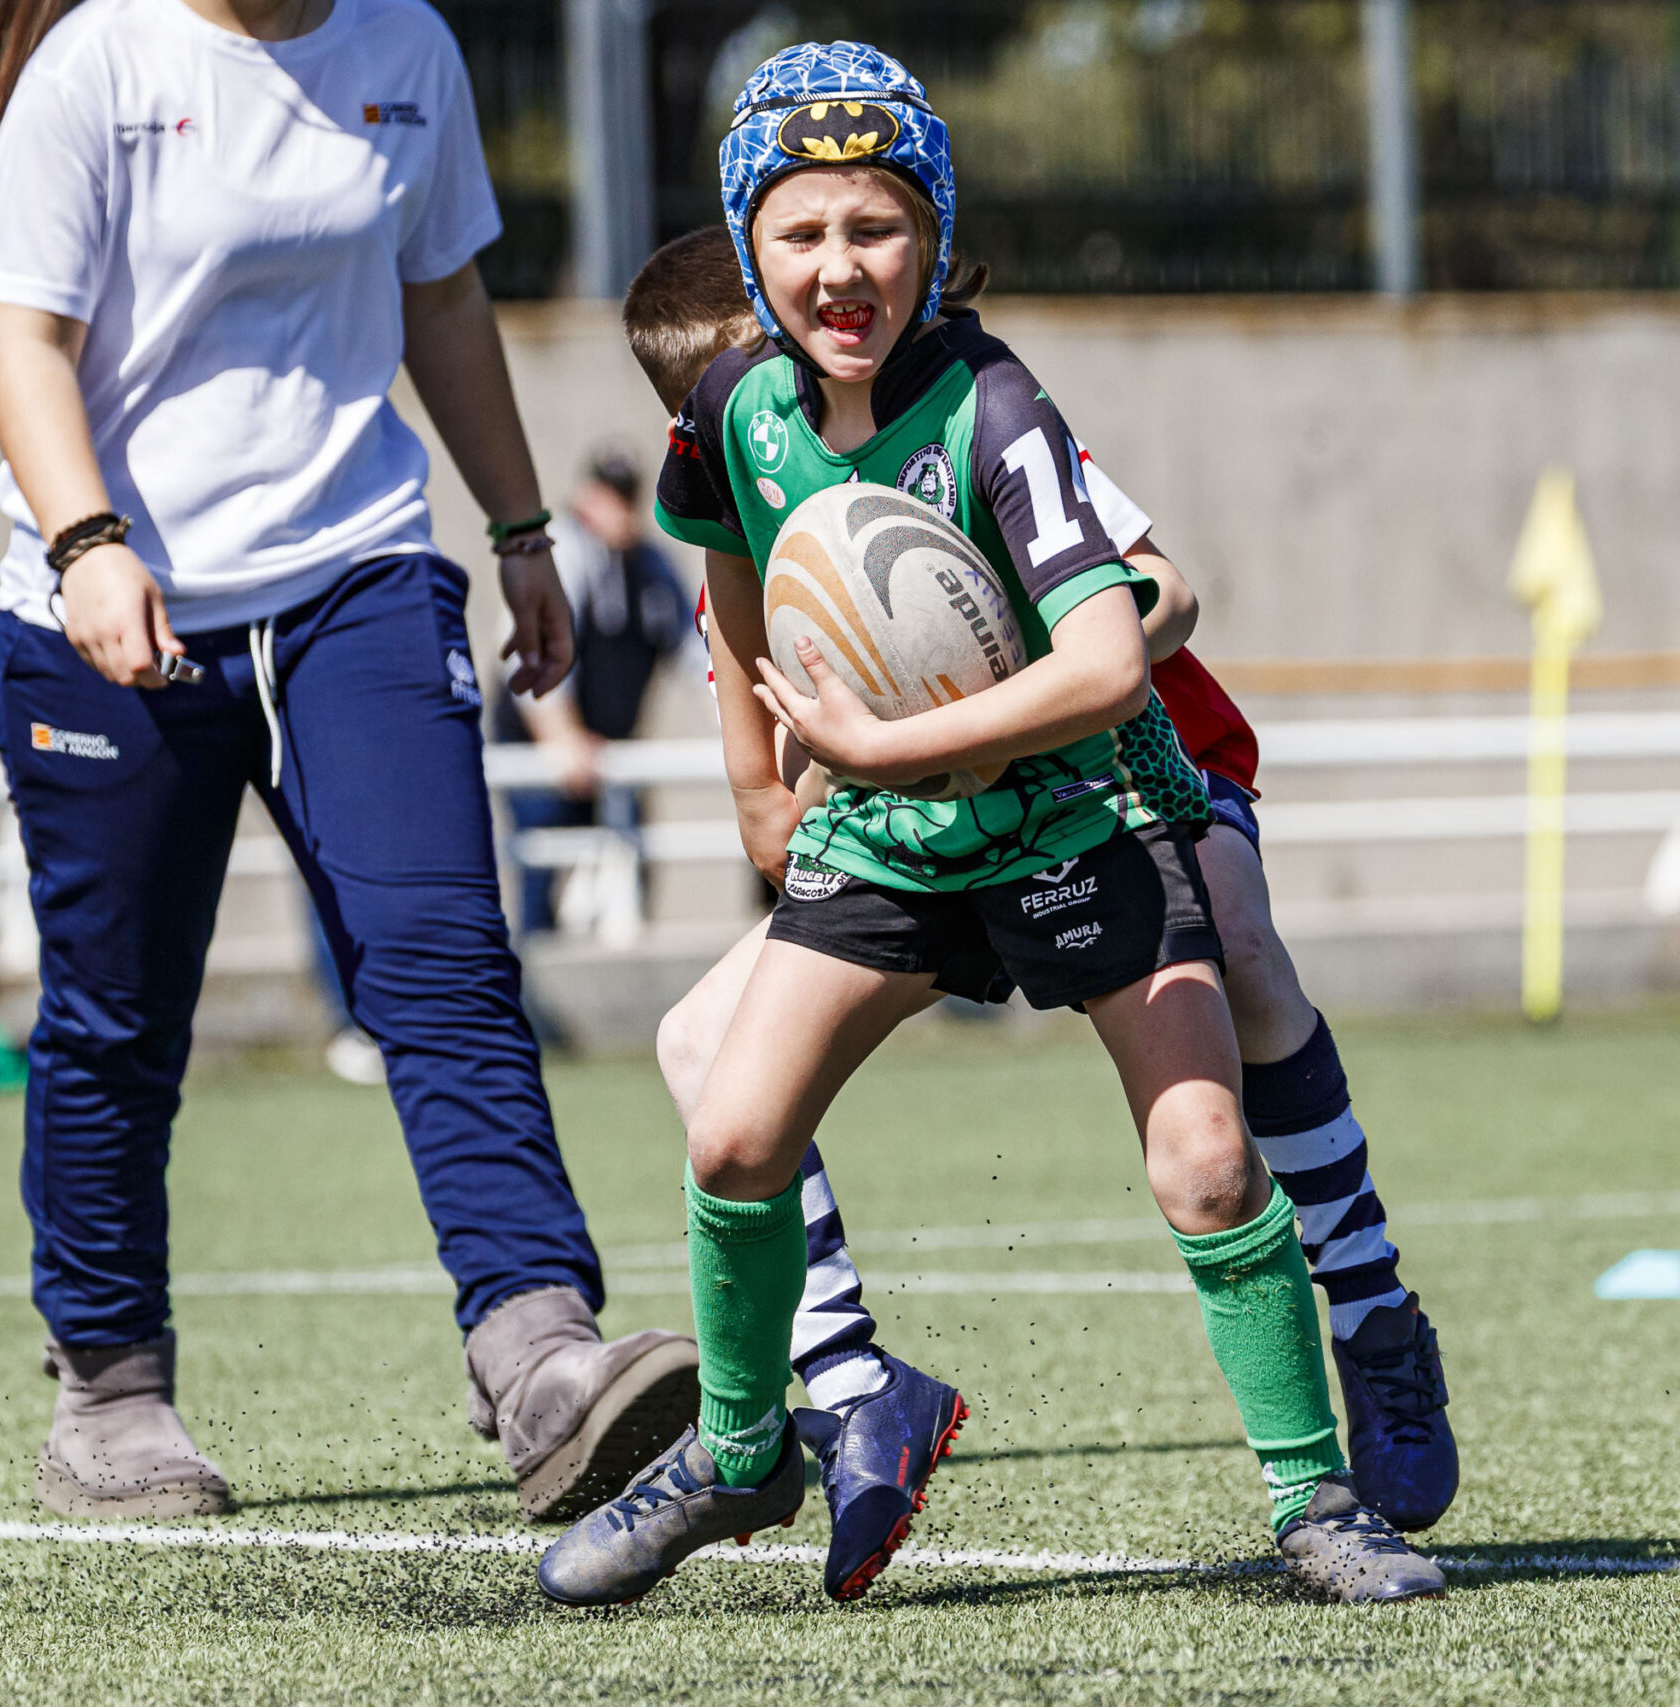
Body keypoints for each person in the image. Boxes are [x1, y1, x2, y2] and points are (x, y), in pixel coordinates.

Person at [538, 42, 1442, 1608]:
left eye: (875, 227)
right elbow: (727, 555)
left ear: (933, 238)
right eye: (803, 231)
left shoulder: (996, 405)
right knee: (731, 1122)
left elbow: (1125, 630)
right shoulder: (732, 411)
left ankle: (1327, 1470)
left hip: (1083, 811)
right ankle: (751, 1444)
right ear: (752, 248)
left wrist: (889, 735)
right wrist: (762, 780)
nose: (840, 266)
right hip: (891, 836)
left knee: (1210, 1149)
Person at [0, 0, 696, 1524]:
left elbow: (442, 298)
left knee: (443, 956)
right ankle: (110, 1388)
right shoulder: (101, 62)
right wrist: (89, 541)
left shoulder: (410, 47)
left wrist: (519, 528)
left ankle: (536, 1342)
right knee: (118, 1012)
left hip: (355, 575)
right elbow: (20, 329)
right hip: (111, 608)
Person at [494, 453, 695, 935]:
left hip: (608, 755)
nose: (614, 511)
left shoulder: (649, 568)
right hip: (541, 749)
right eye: (607, 495)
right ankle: (531, 991)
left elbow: (698, 650)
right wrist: (560, 737)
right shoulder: (561, 552)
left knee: (631, 869)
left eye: (625, 498)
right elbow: (531, 656)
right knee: (542, 868)